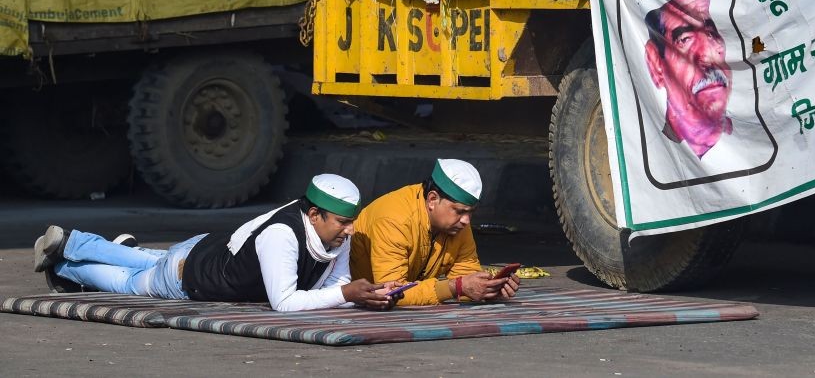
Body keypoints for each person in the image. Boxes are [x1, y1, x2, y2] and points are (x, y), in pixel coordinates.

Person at [32, 174, 400, 312]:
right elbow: (285, 302)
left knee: (145, 258)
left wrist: (361, 294)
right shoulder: (282, 236)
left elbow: (336, 284)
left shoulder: (333, 233)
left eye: (352, 221)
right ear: (316, 214)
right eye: (343, 222)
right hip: (186, 276)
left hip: (201, 249)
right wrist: (348, 295)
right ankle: (64, 265)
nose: (351, 230)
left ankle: (72, 242)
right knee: (131, 281)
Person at [349, 158, 520, 306]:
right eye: (459, 211)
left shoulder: (458, 224)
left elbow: (466, 276)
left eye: (471, 212)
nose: (466, 221)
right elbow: (392, 293)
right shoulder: (393, 220)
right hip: (352, 298)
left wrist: (488, 289)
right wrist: (456, 287)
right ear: (432, 199)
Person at [644, 0, 733, 159]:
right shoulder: (659, 157)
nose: (709, 54)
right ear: (656, 64)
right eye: (685, 39)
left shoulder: (750, 135)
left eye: (711, 34)